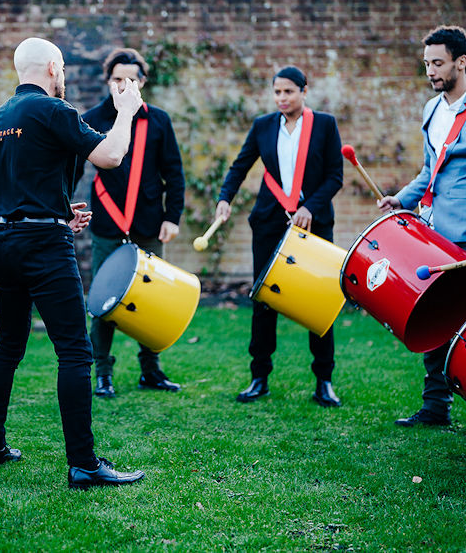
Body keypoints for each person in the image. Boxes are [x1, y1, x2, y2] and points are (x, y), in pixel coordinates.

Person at [0, 37, 145, 489]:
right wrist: (125, 111)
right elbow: (110, 156)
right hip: (43, 244)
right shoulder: (54, 110)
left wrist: (57, 211)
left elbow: (3, 192)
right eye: (64, 66)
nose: (64, 73)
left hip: (5, 239)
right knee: (74, 349)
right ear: (52, 67)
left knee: (8, 344)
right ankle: (84, 463)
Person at [378, 26, 466, 441]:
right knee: (434, 321)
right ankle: (435, 405)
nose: (430, 71)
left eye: (437, 63)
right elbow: (429, 171)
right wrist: (400, 200)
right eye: (426, 64)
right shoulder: (431, 110)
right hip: (430, 235)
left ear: (461, 62)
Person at [215, 66, 343, 407]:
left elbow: (335, 176)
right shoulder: (263, 126)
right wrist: (224, 199)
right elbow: (239, 167)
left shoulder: (326, 125)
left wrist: (311, 207)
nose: (282, 98)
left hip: (313, 226)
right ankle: (259, 377)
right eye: (277, 92)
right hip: (270, 223)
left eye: (288, 92)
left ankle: (324, 381)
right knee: (264, 299)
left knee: (319, 300)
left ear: (304, 91)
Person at [83, 47, 185, 397]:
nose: (123, 85)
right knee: (103, 301)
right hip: (108, 225)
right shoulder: (92, 118)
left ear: (142, 82)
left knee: (152, 300)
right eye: (116, 79)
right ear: (107, 82)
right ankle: (102, 373)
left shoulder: (159, 120)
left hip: (149, 225)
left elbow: (174, 171)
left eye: (130, 79)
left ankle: (150, 370)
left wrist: (173, 217)